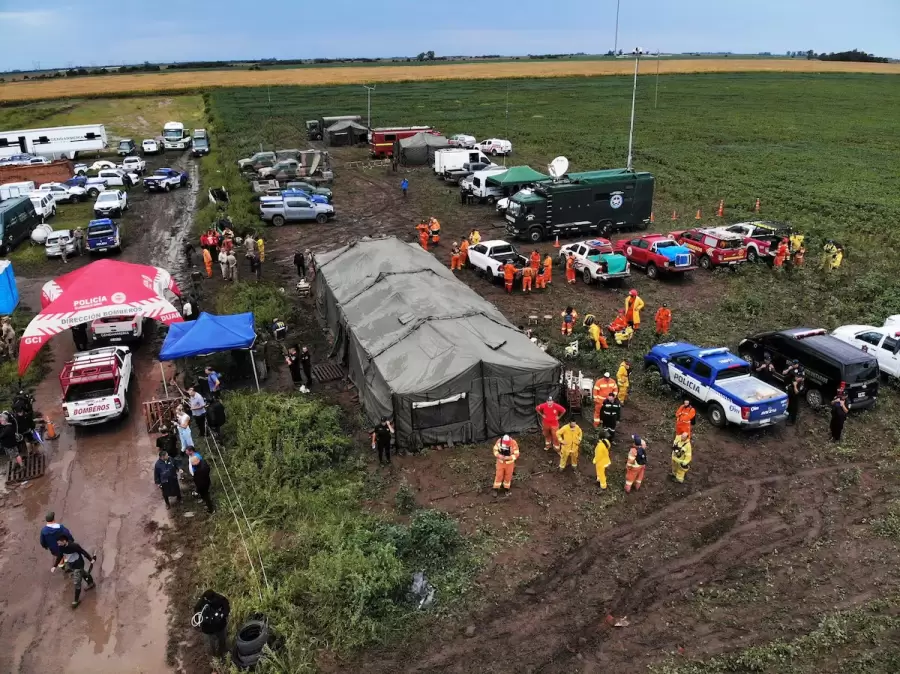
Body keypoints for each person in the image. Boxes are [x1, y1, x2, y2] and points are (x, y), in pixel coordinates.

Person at [52, 534, 96, 608]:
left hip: (78, 565)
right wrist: (54, 566)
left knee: (77, 583)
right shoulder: (61, 547)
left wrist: (90, 559)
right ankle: (91, 583)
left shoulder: (74, 546)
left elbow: (83, 552)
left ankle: (76, 601)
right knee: (83, 573)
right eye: (58, 543)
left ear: (64, 541)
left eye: (59, 543)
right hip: (71, 564)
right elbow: (60, 556)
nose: (58, 544)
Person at [193, 590, 231, 656]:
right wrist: (205, 619)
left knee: (222, 640)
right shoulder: (202, 602)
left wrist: (222, 614)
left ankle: (222, 653)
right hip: (208, 629)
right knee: (210, 644)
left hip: (220, 626)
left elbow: (226, 609)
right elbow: (197, 613)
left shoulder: (221, 599)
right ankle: (213, 656)